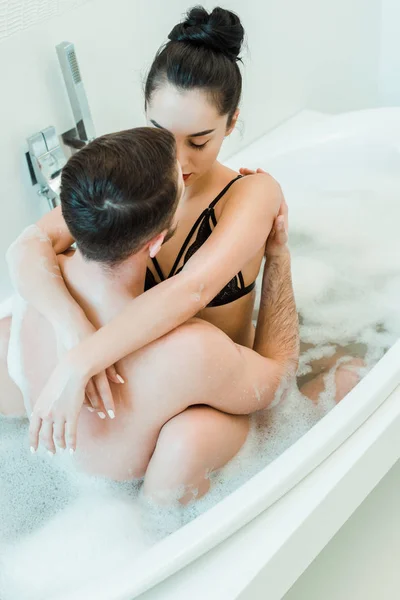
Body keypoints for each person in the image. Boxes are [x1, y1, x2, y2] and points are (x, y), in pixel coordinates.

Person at [3, 127, 298, 504]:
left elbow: (27, 243)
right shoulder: (190, 350)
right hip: (134, 502)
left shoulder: (35, 286)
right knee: (195, 431)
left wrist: (75, 332)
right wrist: (278, 257)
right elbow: (281, 379)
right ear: (157, 241)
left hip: (53, 478)